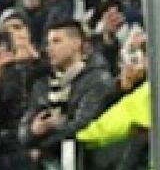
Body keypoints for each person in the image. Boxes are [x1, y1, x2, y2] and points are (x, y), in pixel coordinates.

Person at [19, 20, 114, 157]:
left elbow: (82, 126)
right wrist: (34, 131)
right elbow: (23, 130)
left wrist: (43, 146)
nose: (49, 48)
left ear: (76, 44)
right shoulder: (43, 84)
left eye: (56, 41)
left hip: (86, 166)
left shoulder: (98, 80)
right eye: (48, 43)